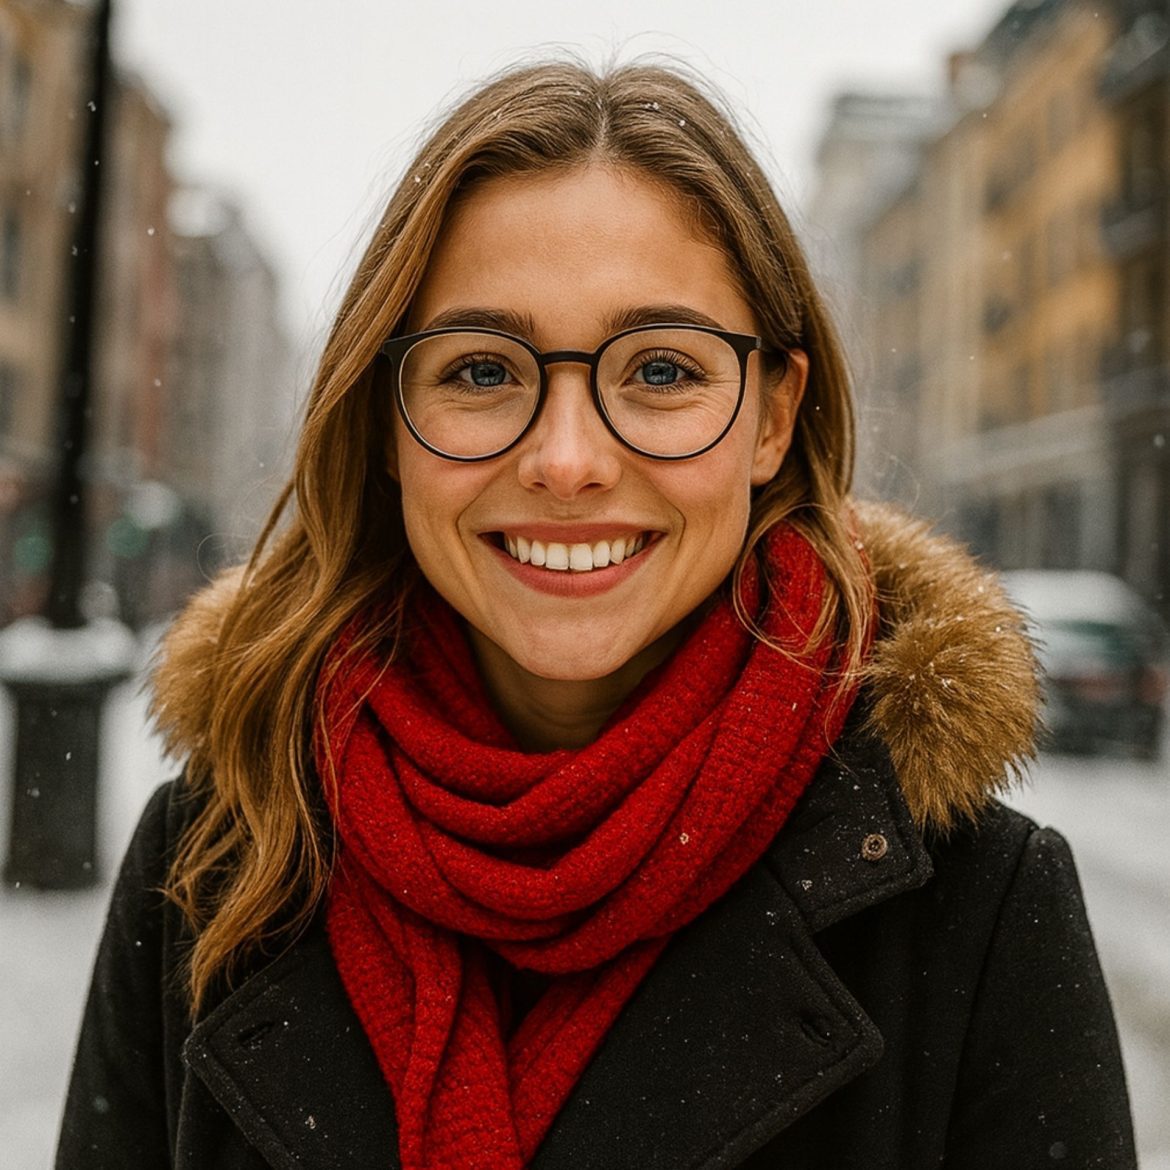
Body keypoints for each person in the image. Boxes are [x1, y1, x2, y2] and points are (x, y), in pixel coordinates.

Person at [57, 59, 1136, 1169]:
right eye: (480, 370)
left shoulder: (978, 910)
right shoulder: (212, 859)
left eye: (661, 368)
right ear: (387, 424)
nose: (566, 460)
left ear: (772, 417)